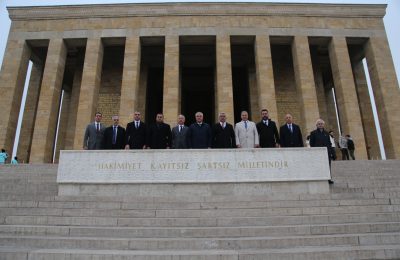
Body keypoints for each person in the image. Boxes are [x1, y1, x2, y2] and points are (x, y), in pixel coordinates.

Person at [309, 119, 334, 184]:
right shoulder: (313, 133)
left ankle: (328, 178)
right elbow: (311, 144)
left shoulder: (326, 133)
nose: (320, 125)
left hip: (326, 152)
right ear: (316, 125)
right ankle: (319, 178)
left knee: (328, 166)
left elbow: (329, 143)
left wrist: (331, 152)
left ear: (323, 125)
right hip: (318, 153)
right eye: (319, 124)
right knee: (318, 165)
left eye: (321, 124)